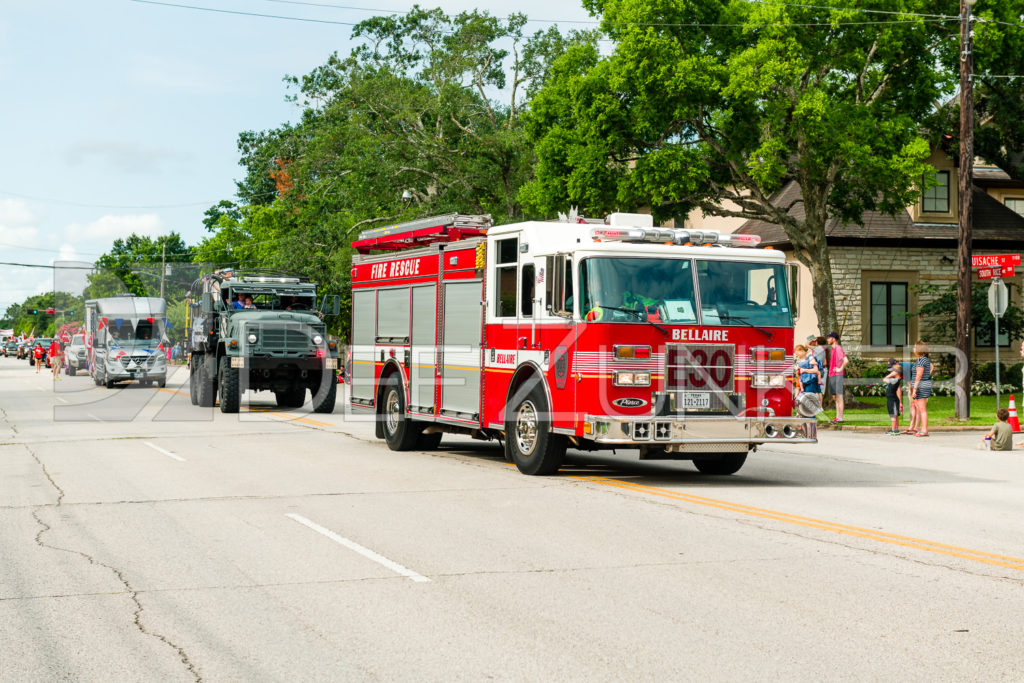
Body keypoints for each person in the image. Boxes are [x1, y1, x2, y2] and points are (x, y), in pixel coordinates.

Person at [909, 340, 932, 437]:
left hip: (920, 386)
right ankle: (922, 429)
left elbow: (918, 375)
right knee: (920, 408)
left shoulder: (921, 360)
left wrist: (914, 389)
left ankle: (924, 430)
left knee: (922, 409)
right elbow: (931, 367)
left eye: (914, 347)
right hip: (924, 384)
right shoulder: (925, 360)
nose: (913, 349)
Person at [826, 331, 848, 424]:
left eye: (829, 338)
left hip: (837, 375)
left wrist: (840, 369)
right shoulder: (833, 349)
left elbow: (846, 361)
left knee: (839, 396)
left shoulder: (838, 348)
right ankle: (837, 416)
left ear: (833, 339)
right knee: (835, 397)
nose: (827, 339)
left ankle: (840, 418)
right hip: (832, 375)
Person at [794, 344, 822, 415]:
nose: (797, 356)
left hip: (810, 380)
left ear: (802, 351)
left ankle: (811, 415)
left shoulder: (810, 358)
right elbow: (798, 374)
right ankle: (803, 414)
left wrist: (804, 370)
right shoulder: (799, 361)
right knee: (803, 398)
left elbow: (816, 370)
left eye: (798, 353)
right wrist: (798, 372)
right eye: (796, 355)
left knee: (809, 398)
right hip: (803, 381)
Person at [882, 358, 903, 436]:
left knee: (893, 415)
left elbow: (884, 379)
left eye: (893, 371)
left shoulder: (894, 380)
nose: (891, 372)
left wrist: (891, 374)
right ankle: (895, 429)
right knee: (895, 414)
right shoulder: (896, 380)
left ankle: (894, 430)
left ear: (896, 372)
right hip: (894, 399)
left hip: (892, 400)